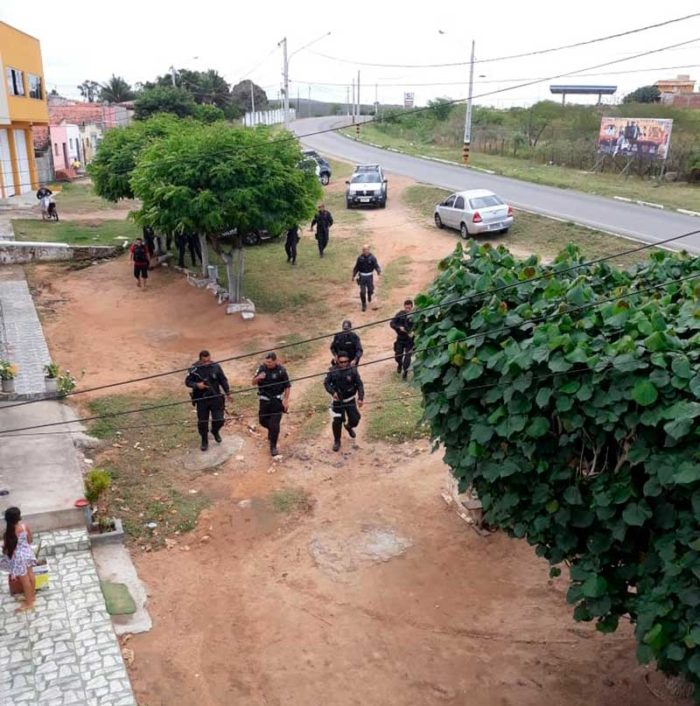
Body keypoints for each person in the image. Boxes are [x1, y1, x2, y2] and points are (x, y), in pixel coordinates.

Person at [185, 350, 232, 452]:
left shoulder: (216, 366)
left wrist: (228, 392)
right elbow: (187, 382)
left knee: (219, 419)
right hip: (202, 399)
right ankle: (204, 440)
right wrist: (197, 385)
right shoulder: (194, 369)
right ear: (200, 360)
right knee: (203, 422)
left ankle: (215, 431)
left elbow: (223, 380)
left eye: (208, 360)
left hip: (215, 397)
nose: (207, 363)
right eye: (204, 361)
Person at [252, 352, 291, 457]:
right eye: (266, 362)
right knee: (262, 421)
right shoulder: (261, 368)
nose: (267, 364)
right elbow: (253, 382)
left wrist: (286, 400)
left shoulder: (281, 371)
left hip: (277, 401)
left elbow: (287, 386)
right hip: (264, 400)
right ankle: (272, 430)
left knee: (274, 424)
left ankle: (273, 446)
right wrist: (259, 377)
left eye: (269, 362)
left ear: (275, 361)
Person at [324, 353, 364, 452]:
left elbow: (359, 384)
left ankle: (349, 426)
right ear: (337, 361)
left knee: (355, 419)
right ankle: (337, 441)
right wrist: (333, 392)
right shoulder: (332, 371)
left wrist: (360, 398)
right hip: (338, 401)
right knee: (337, 421)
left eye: (346, 362)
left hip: (350, 399)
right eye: (341, 362)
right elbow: (326, 383)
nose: (343, 364)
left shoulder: (353, 370)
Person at [1, 507, 36, 612]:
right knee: (31, 576)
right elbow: (30, 540)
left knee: (25, 580)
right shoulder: (24, 527)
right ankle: (32, 596)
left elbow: (7, 550)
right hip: (28, 554)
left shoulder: (8, 534)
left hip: (19, 559)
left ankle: (29, 603)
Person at [352, 244, 382, 312]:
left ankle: (369, 295)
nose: (365, 251)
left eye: (366, 250)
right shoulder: (360, 258)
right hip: (362, 277)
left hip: (369, 276)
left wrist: (378, 271)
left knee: (370, 289)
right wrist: (353, 275)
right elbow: (356, 267)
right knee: (362, 292)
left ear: (369, 250)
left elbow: (376, 266)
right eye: (363, 250)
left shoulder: (372, 258)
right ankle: (364, 304)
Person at [391, 299, 415, 380]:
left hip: (410, 340)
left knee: (407, 358)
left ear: (412, 307)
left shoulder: (415, 316)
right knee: (398, 356)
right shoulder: (400, 314)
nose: (407, 310)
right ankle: (399, 364)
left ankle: (405, 373)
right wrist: (399, 327)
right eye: (406, 308)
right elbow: (392, 323)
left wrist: (413, 332)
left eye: (409, 308)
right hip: (400, 339)